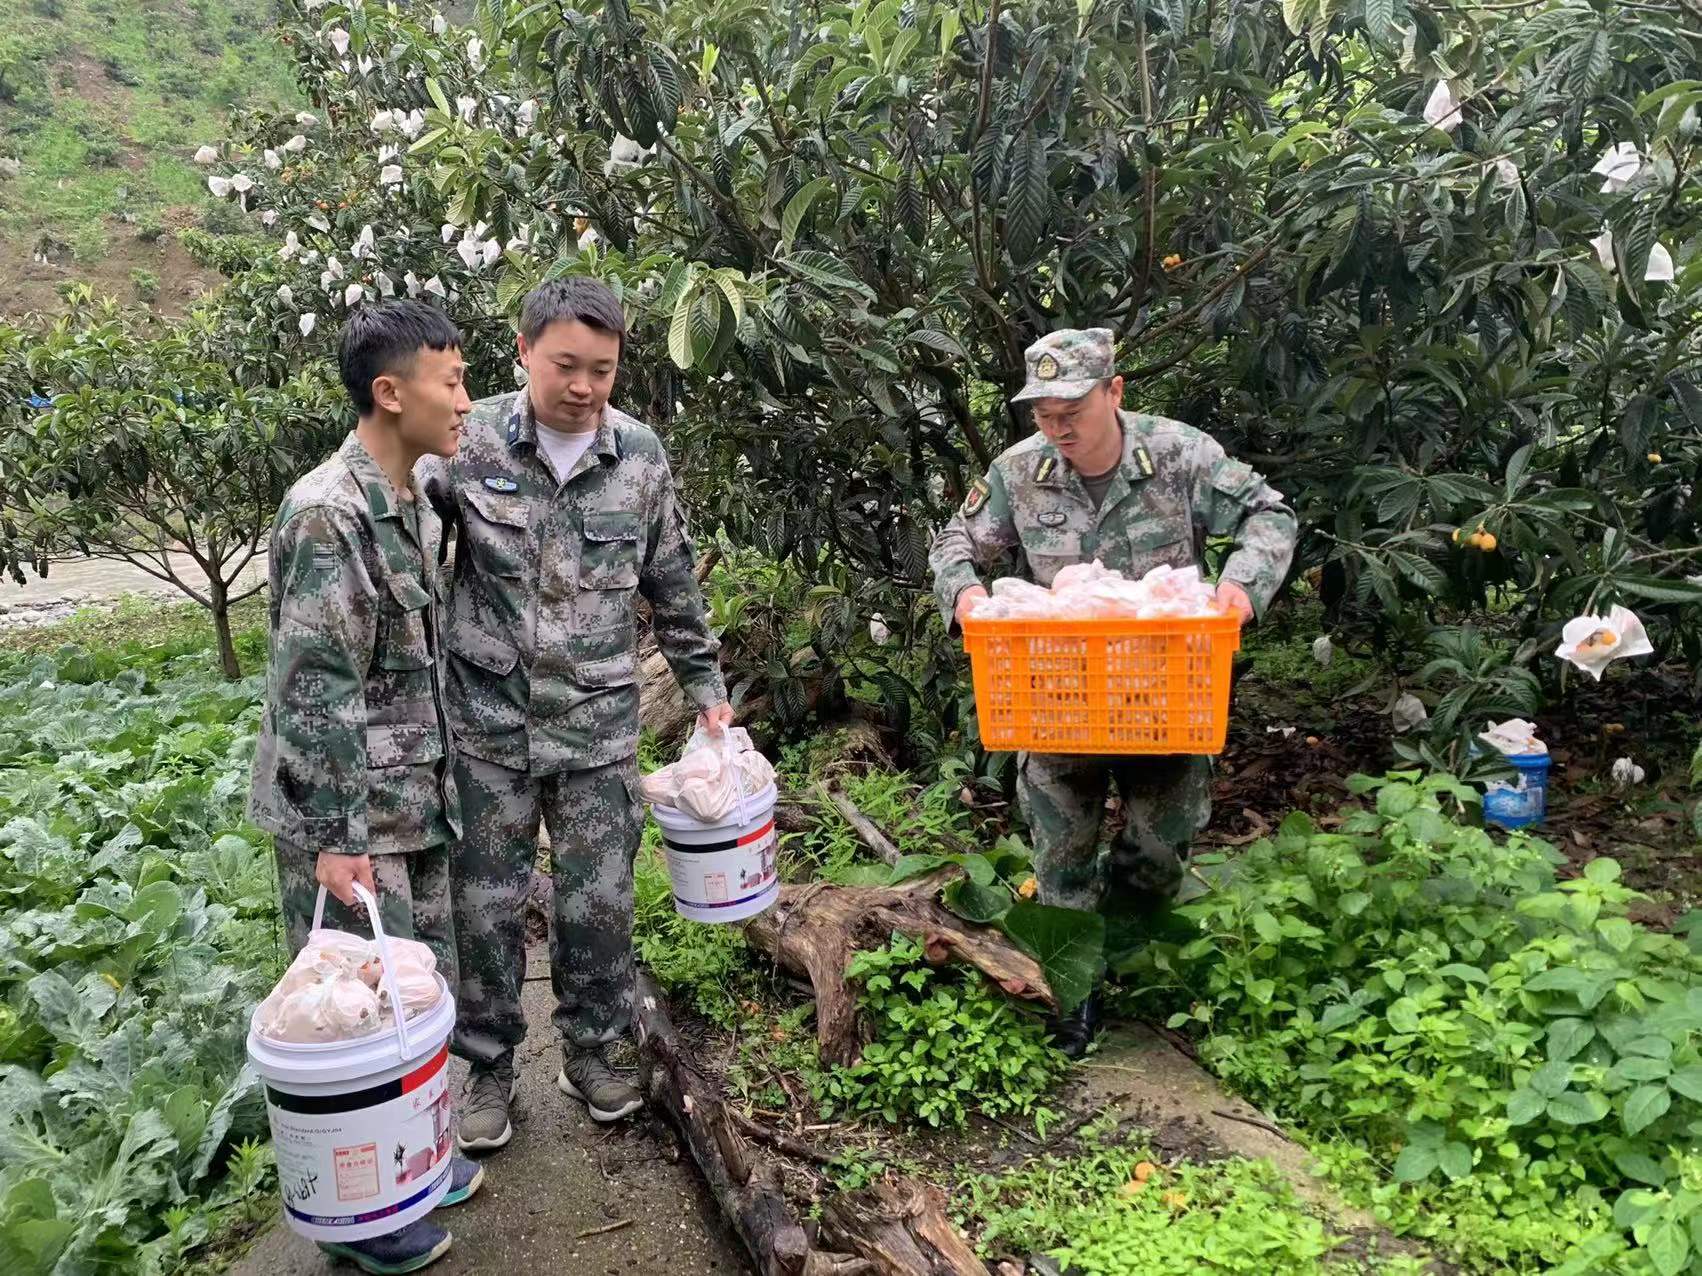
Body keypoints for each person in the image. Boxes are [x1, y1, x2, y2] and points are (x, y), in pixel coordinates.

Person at [420, 278, 730, 1151]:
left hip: (596, 723)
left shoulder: (639, 456)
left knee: (599, 905)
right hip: (486, 724)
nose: (585, 387)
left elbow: (671, 578)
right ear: (522, 352)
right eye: (565, 366)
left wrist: (706, 690)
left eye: (603, 368)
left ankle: (594, 1049)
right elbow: (407, 546)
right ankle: (486, 1067)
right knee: (484, 906)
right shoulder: (467, 443)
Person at [928, 327, 1297, 1056]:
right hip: (1057, 695)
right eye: (1043, 411)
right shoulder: (1020, 470)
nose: (1057, 425)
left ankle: (1124, 951)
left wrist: (1240, 588)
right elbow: (955, 542)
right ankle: (1076, 994)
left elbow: (1269, 515)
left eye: (1071, 407)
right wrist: (964, 594)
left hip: (1163, 696)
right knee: (1060, 858)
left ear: (1114, 392)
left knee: (1162, 852)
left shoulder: (1181, 454)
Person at [249, 301, 485, 1273]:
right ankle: (365, 1216)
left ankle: (414, 1158)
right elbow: (313, 690)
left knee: (415, 990)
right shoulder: (328, 514)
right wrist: (335, 840)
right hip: (343, 815)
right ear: (392, 394)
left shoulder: (416, 495)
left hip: (410, 793)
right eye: (453, 381)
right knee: (350, 1007)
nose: (466, 401)